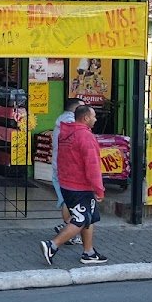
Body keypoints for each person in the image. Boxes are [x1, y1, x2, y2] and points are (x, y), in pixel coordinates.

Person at [40, 104, 108, 265]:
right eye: (93, 116)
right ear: (86, 118)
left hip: (67, 183)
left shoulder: (65, 133)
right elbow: (92, 166)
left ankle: (89, 252)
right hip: (80, 186)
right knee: (81, 219)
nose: (95, 119)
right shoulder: (85, 136)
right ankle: (52, 245)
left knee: (89, 218)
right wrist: (99, 189)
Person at [50, 97, 84, 246]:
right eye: (83, 108)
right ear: (76, 109)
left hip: (59, 165)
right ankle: (70, 231)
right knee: (68, 200)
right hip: (66, 167)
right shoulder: (71, 124)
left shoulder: (61, 121)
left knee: (66, 199)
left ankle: (67, 227)